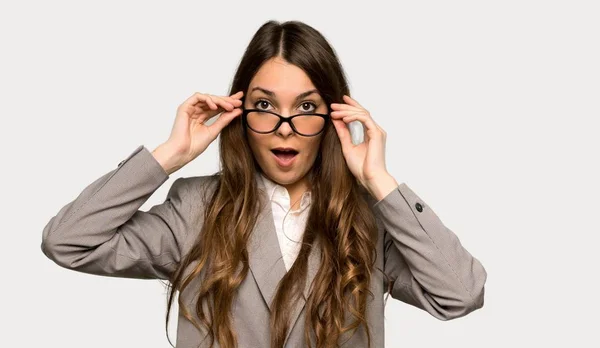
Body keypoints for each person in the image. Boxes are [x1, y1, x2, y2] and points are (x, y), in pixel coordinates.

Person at [41, 20, 487, 348]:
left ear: (333, 117)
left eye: (307, 106)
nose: (285, 127)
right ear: (241, 114)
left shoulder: (369, 219)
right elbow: (69, 241)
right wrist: (169, 156)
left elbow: (460, 294)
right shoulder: (194, 208)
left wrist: (379, 181)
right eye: (264, 105)